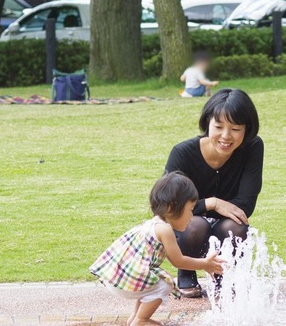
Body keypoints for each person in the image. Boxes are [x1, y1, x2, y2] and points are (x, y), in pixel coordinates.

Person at [90, 171, 224, 326]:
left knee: (153, 281)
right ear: (170, 208)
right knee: (163, 284)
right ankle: (141, 320)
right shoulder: (164, 230)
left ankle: (134, 318)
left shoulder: (154, 225)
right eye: (190, 209)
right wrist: (205, 264)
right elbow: (178, 261)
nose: (192, 215)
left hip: (119, 278)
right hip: (125, 281)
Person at [164, 88, 263, 298]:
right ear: (208, 122)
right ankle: (186, 270)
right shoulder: (182, 153)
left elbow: (245, 204)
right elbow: (170, 207)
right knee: (194, 225)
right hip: (187, 226)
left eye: (236, 128)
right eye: (218, 127)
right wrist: (212, 203)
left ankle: (223, 277)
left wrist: (210, 211)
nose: (226, 136)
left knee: (236, 227)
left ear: (247, 129)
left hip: (226, 222)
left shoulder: (253, 147)